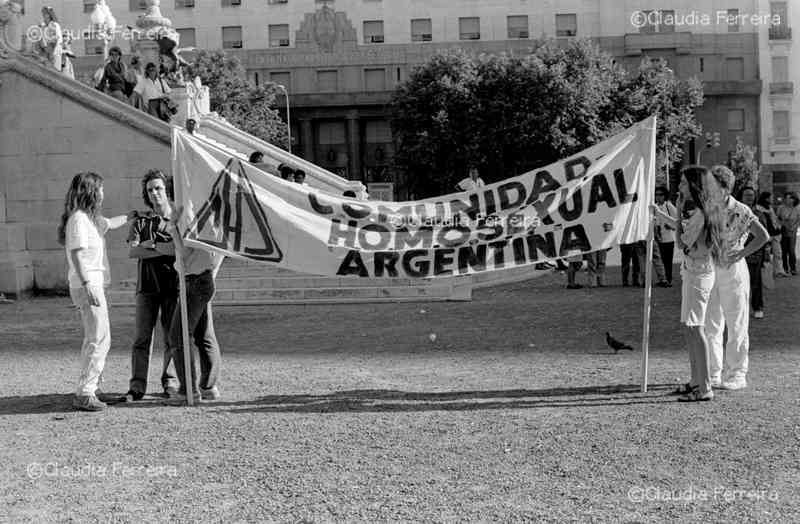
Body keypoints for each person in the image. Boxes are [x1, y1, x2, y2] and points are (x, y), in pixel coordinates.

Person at [57, 172, 136, 411]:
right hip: (88, 284)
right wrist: (87, 284)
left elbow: (110, 224)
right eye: (100, 189)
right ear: (91, 191)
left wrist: (132, 216)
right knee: (98, 338)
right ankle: (85, 392)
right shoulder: (79, 219)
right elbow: (76, 254)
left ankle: (93, 386)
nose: (103, 193)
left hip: (93, 283)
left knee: (99, 337)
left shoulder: (91, 219)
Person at [654, 166, 718, 402]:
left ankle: (705, 386)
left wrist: (679, 210)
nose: (679, 187)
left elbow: (681, 242)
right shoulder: (699, 211)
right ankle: (696, 380)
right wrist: (664, 215)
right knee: (689, 327)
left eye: (682, 183)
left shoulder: (700, 212)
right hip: (692, 270)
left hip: (699, 273)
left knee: (696, 327)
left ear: (694, 185)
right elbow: (682, 229)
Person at [703, 165, 769, 391]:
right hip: (710, 268)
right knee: (710, 323)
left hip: (733, 270)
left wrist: (741, 253)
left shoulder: (741, 210)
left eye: (712, 185)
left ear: (724, 187)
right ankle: (712, 372)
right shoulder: (707, 208)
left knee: (737, 322)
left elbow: (763, 236)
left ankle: (737, 373)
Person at [122, 170, 180, 402]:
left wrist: (151, 245)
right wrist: (158, 248)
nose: (154, 193)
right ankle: (137, 386)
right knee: (141, 339)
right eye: (150, 189)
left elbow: (176, 250)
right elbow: (133, 251)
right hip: (146, 287)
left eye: (158, 188)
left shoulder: (177, 218)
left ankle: (171, 382)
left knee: (171, 338)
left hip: (172, 286)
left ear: (166, 190)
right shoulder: (141, 221)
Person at [166, 210, 225, 402]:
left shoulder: (189, 215)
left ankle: (188, 391)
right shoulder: (205, 214)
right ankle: (208, 387)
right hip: (202, 278)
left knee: (178, 335)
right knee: (203, 334)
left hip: (196, 281)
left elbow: (184, 253)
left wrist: (173, 228)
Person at [654, 186, 678, 285]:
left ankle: (668, 279)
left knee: (667, 261)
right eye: (656, 195)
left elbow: (677, 221)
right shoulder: (654, 206)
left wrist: (671, 226)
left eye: (661, 195)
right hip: (658, 238)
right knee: (660, 261)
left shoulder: (668, 206)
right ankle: (662, 279)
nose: (658, 197)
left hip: (668, 238)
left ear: (665, 196)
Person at [777, 192, 800, 275]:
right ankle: (785, 268)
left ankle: (793, 268)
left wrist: (794, 228)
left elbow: (799, 220)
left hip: (793, 231)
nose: (788, 200)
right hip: (783, 230)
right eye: (786, 198)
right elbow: (777, 218)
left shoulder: (797, 208)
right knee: (783, 250)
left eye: (790, 198)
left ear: (794, 199)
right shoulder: (781, 208)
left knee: (791, 250)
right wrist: (783, 225)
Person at [38, 6, 63, 72]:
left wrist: (51, 52)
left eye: (45, 13)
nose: (43, 15)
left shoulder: (53, 25)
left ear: (49, 15)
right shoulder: (43, 26)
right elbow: (40, 39)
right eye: (43, 13)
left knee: (55, 71)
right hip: (45, 53)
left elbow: (55, 40)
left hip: (54, 52)